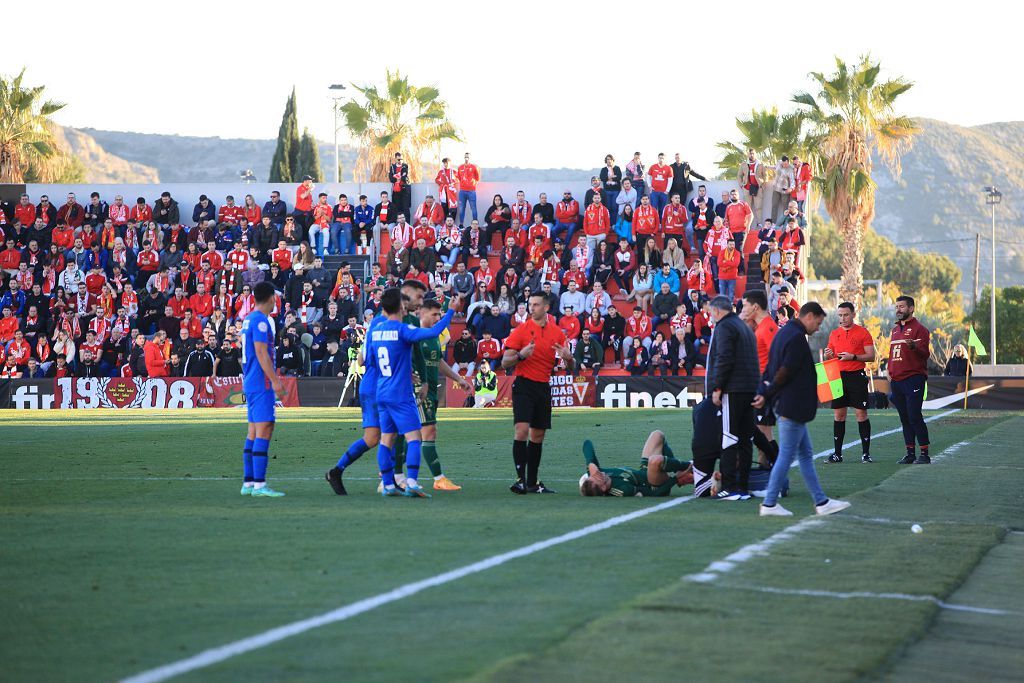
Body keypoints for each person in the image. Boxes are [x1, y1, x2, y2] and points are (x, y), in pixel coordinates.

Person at [754, 302, 851, 517]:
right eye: (818, 322)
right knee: (786, 456)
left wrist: (764, 391)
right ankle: (770, 504)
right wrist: (767, 394)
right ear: (809, 316)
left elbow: (771, 369)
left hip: (789, 405)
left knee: (805, 455)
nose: (818, 328)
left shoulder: (784, 333)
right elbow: (784, 371)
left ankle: (821, 502)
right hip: (792, 406)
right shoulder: (796, 338)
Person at [366, 288, 455, 498]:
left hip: (382, 391)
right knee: (414, 437)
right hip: (400, 393)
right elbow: (433, 333)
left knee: (386, 439)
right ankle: (412, 482)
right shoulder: (402, 330)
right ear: (399, 307)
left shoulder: (375, 330)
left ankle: (388, 485)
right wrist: (450, 312)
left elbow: (369, 361)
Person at [501, 292, 574, 494]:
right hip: (524, 385)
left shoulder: (557, 333)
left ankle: (532, 483)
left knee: (538, 435)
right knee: (522, 430)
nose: (531, 308)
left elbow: (571, 364)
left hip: (543, 386)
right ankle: (519, 479)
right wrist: (521, 355)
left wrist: (569, 358)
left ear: (546, 308)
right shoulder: (521, 331)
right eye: (530, 304)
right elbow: (504, 362)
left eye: (536, 305)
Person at [705, 295, 759, 501]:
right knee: (745, 440)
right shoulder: (743, 326)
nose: (711, 317)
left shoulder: (724, 327)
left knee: (729, 438)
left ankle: (729, 487)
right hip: (748, 389)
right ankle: (743, 488)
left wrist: (718, 387)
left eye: (711, 313)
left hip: (733, 391)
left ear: (717, 311)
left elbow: (724, 357)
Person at [240, 281, 287, 498]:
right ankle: (259, 484)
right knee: (264, 428)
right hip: (260, 383)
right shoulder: (260, 321)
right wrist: (275, 380)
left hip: (251, 381)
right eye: (275, 297)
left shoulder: (248, 319)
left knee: (253, 430)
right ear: (270, 298)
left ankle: (249, 482)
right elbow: (261, 353)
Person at [823, 302, 876, 464]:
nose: (843, 318)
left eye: (846, 314)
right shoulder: (834, 334)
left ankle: (866, 454)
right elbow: (830, 358)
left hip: (856, 376)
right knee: (839, 415)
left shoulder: (863, 332)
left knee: (861, 414)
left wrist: (853, 357)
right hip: (838, 377)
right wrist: (828, 355)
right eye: (840, 315)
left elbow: (871, 356)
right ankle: (837, 454)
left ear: (853, 314)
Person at [578, 432, 692, 497]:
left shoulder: (597, 472)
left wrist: (591, 464)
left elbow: (586, 444)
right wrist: (675, 479)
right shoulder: (622, 490)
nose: (599, 473)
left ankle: (683, 468)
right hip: (654, 484)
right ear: (603, 487)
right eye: (597, 477)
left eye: (594, 475)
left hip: (644, 470)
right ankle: (690, 466)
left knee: (657, 435)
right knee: (654, 461)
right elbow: (654, 493)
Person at [888, 295, 932, 464]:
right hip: (896, 380)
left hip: (913, 378)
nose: (898, 310)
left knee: (914, 415)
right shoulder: (894, 330)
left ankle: (925, 454)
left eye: (902, 307)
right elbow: (893, 355)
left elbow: (925, 354)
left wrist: (914, 347)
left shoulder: (920, 329)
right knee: (904, 417)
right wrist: (889, 370)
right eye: (896, 306)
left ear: (911, 308)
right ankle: (910, 453)